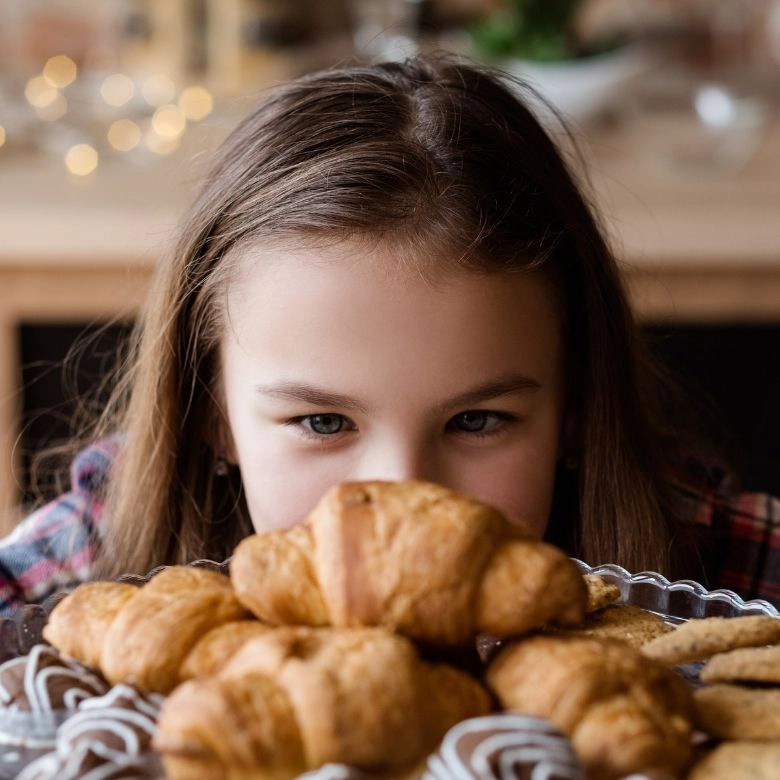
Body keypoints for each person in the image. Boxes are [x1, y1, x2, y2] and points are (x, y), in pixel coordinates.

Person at [1, 55, 777, 616]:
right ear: (214, 415)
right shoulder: (94, 556)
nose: (406, 496)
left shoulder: (711, 560)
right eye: (322, 422)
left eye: (478, 421)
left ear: (575, 408)